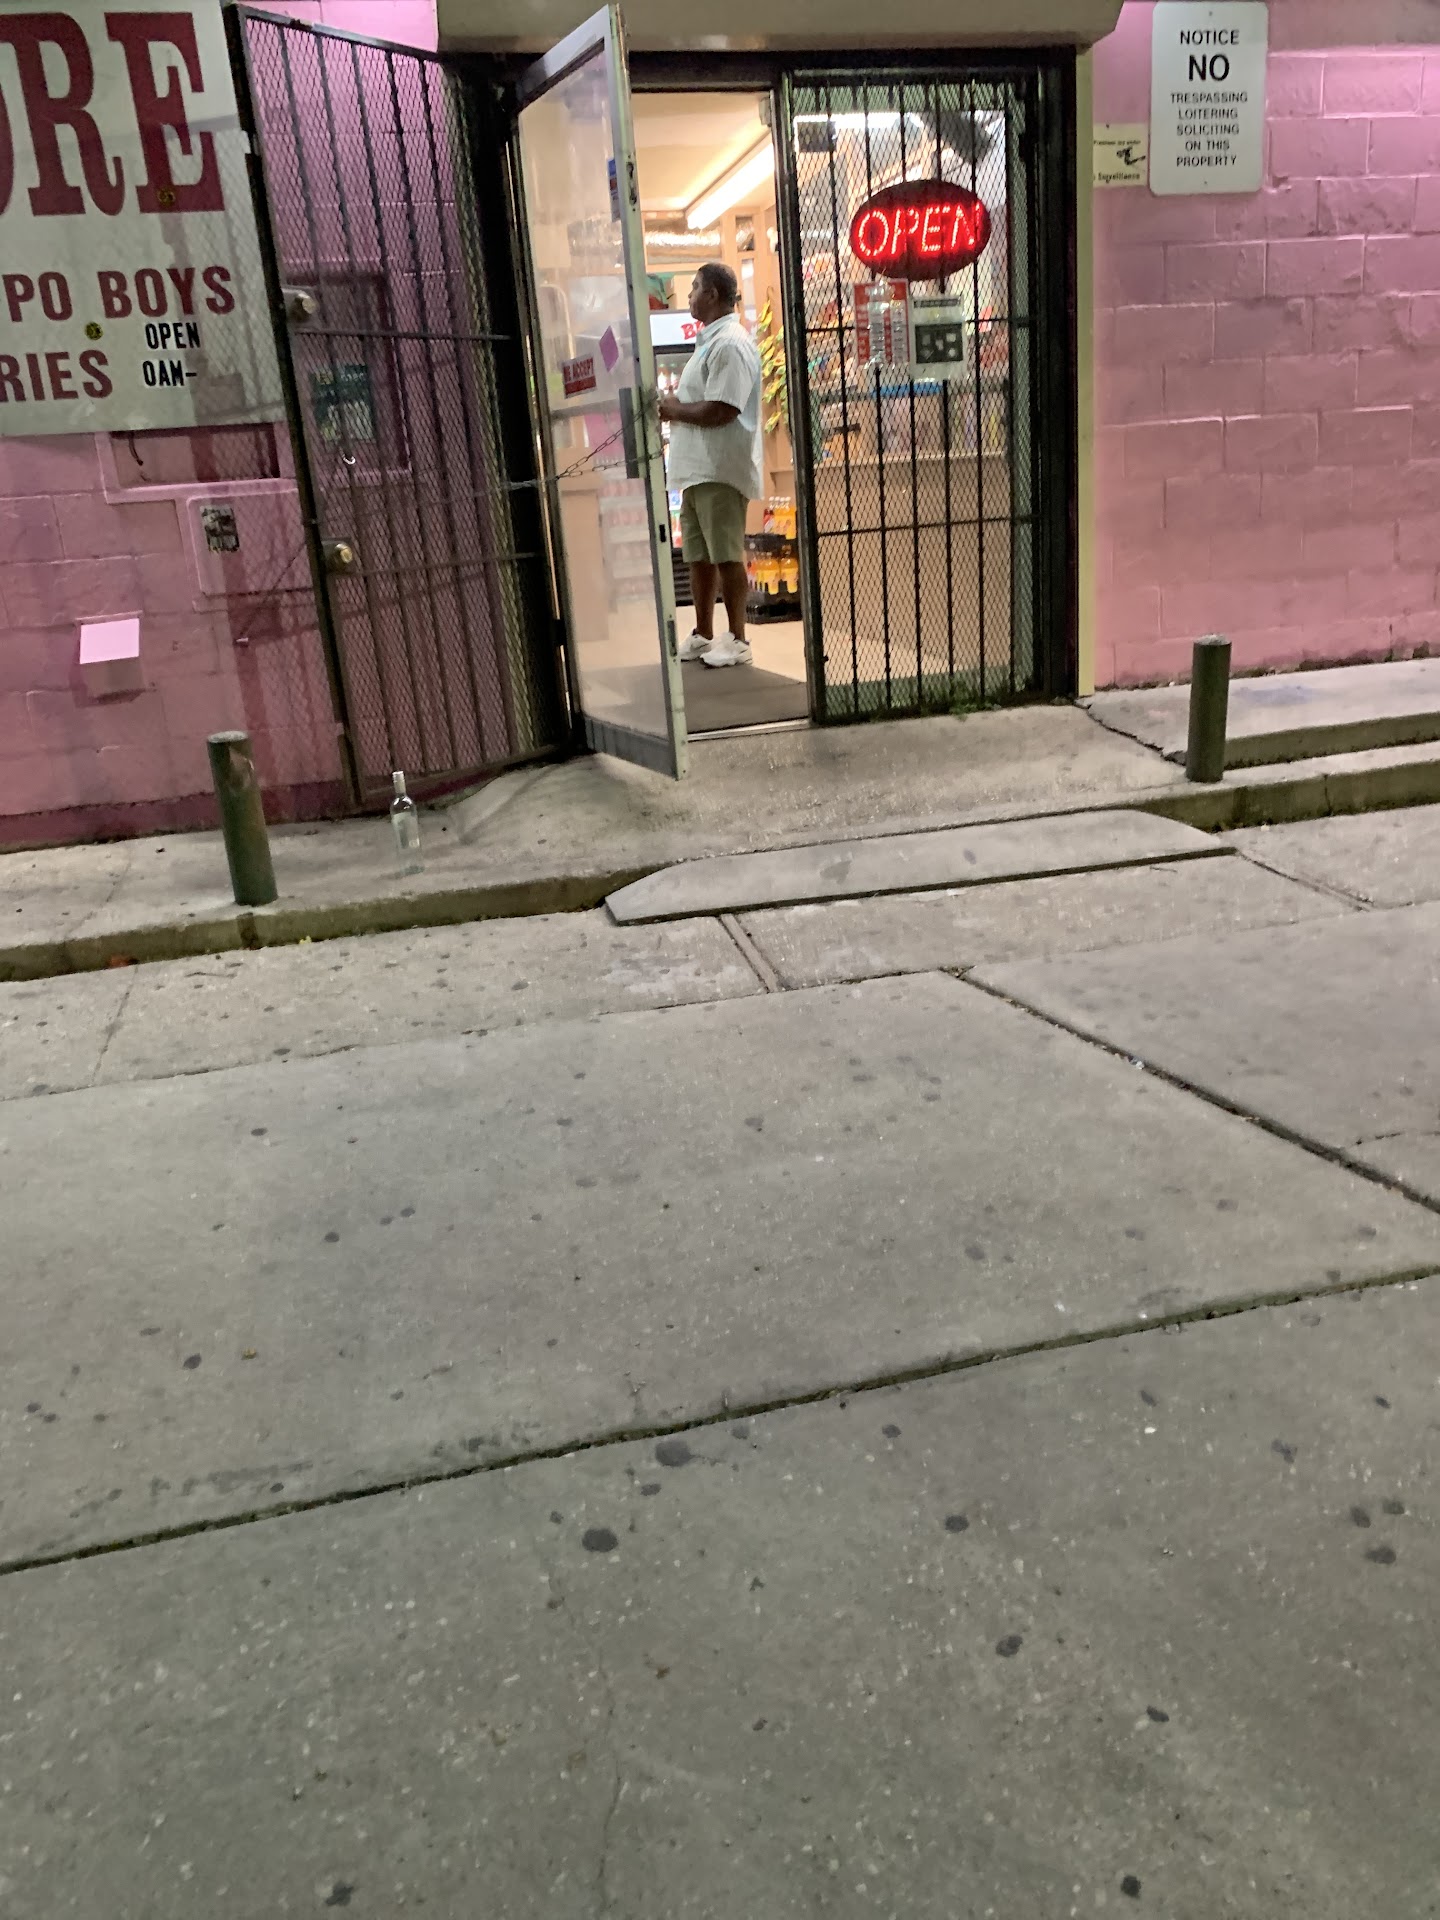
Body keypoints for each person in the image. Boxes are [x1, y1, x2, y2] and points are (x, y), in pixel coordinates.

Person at [658, 262, 763, 670]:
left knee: (725, 554)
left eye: (695, 287)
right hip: (697, 469)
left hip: (719, 468)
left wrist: (674, 410)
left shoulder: (731, 344)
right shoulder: (709, 342)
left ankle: (738, 638)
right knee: (698, 556)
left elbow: (723, 408)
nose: (689, 296)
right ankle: (703, 632)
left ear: (713, 294)